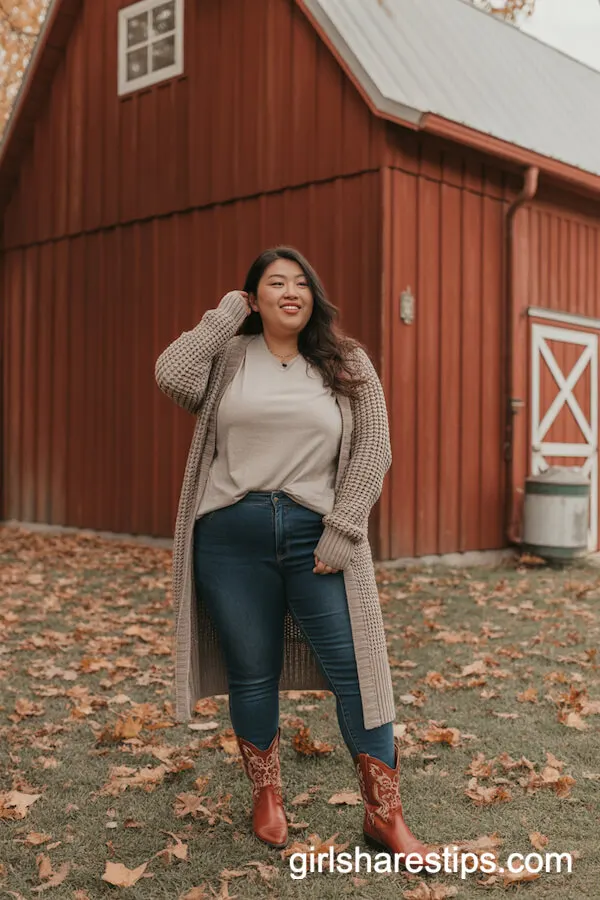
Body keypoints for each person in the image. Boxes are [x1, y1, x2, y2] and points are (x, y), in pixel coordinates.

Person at [155, 246, 430, 861]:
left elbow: (373, 449)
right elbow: (172, 374)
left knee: (359, 672)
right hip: (230, 537)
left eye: (300, 283)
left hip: (318, 536)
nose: (291, 292)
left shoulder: (344, 361)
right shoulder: (227, 358)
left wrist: (345, 527)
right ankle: (267, 797)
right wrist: (227, 313)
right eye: (274, 283)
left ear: (314, 296)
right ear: (255, 297)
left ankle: (384, 818)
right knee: (253, 672)